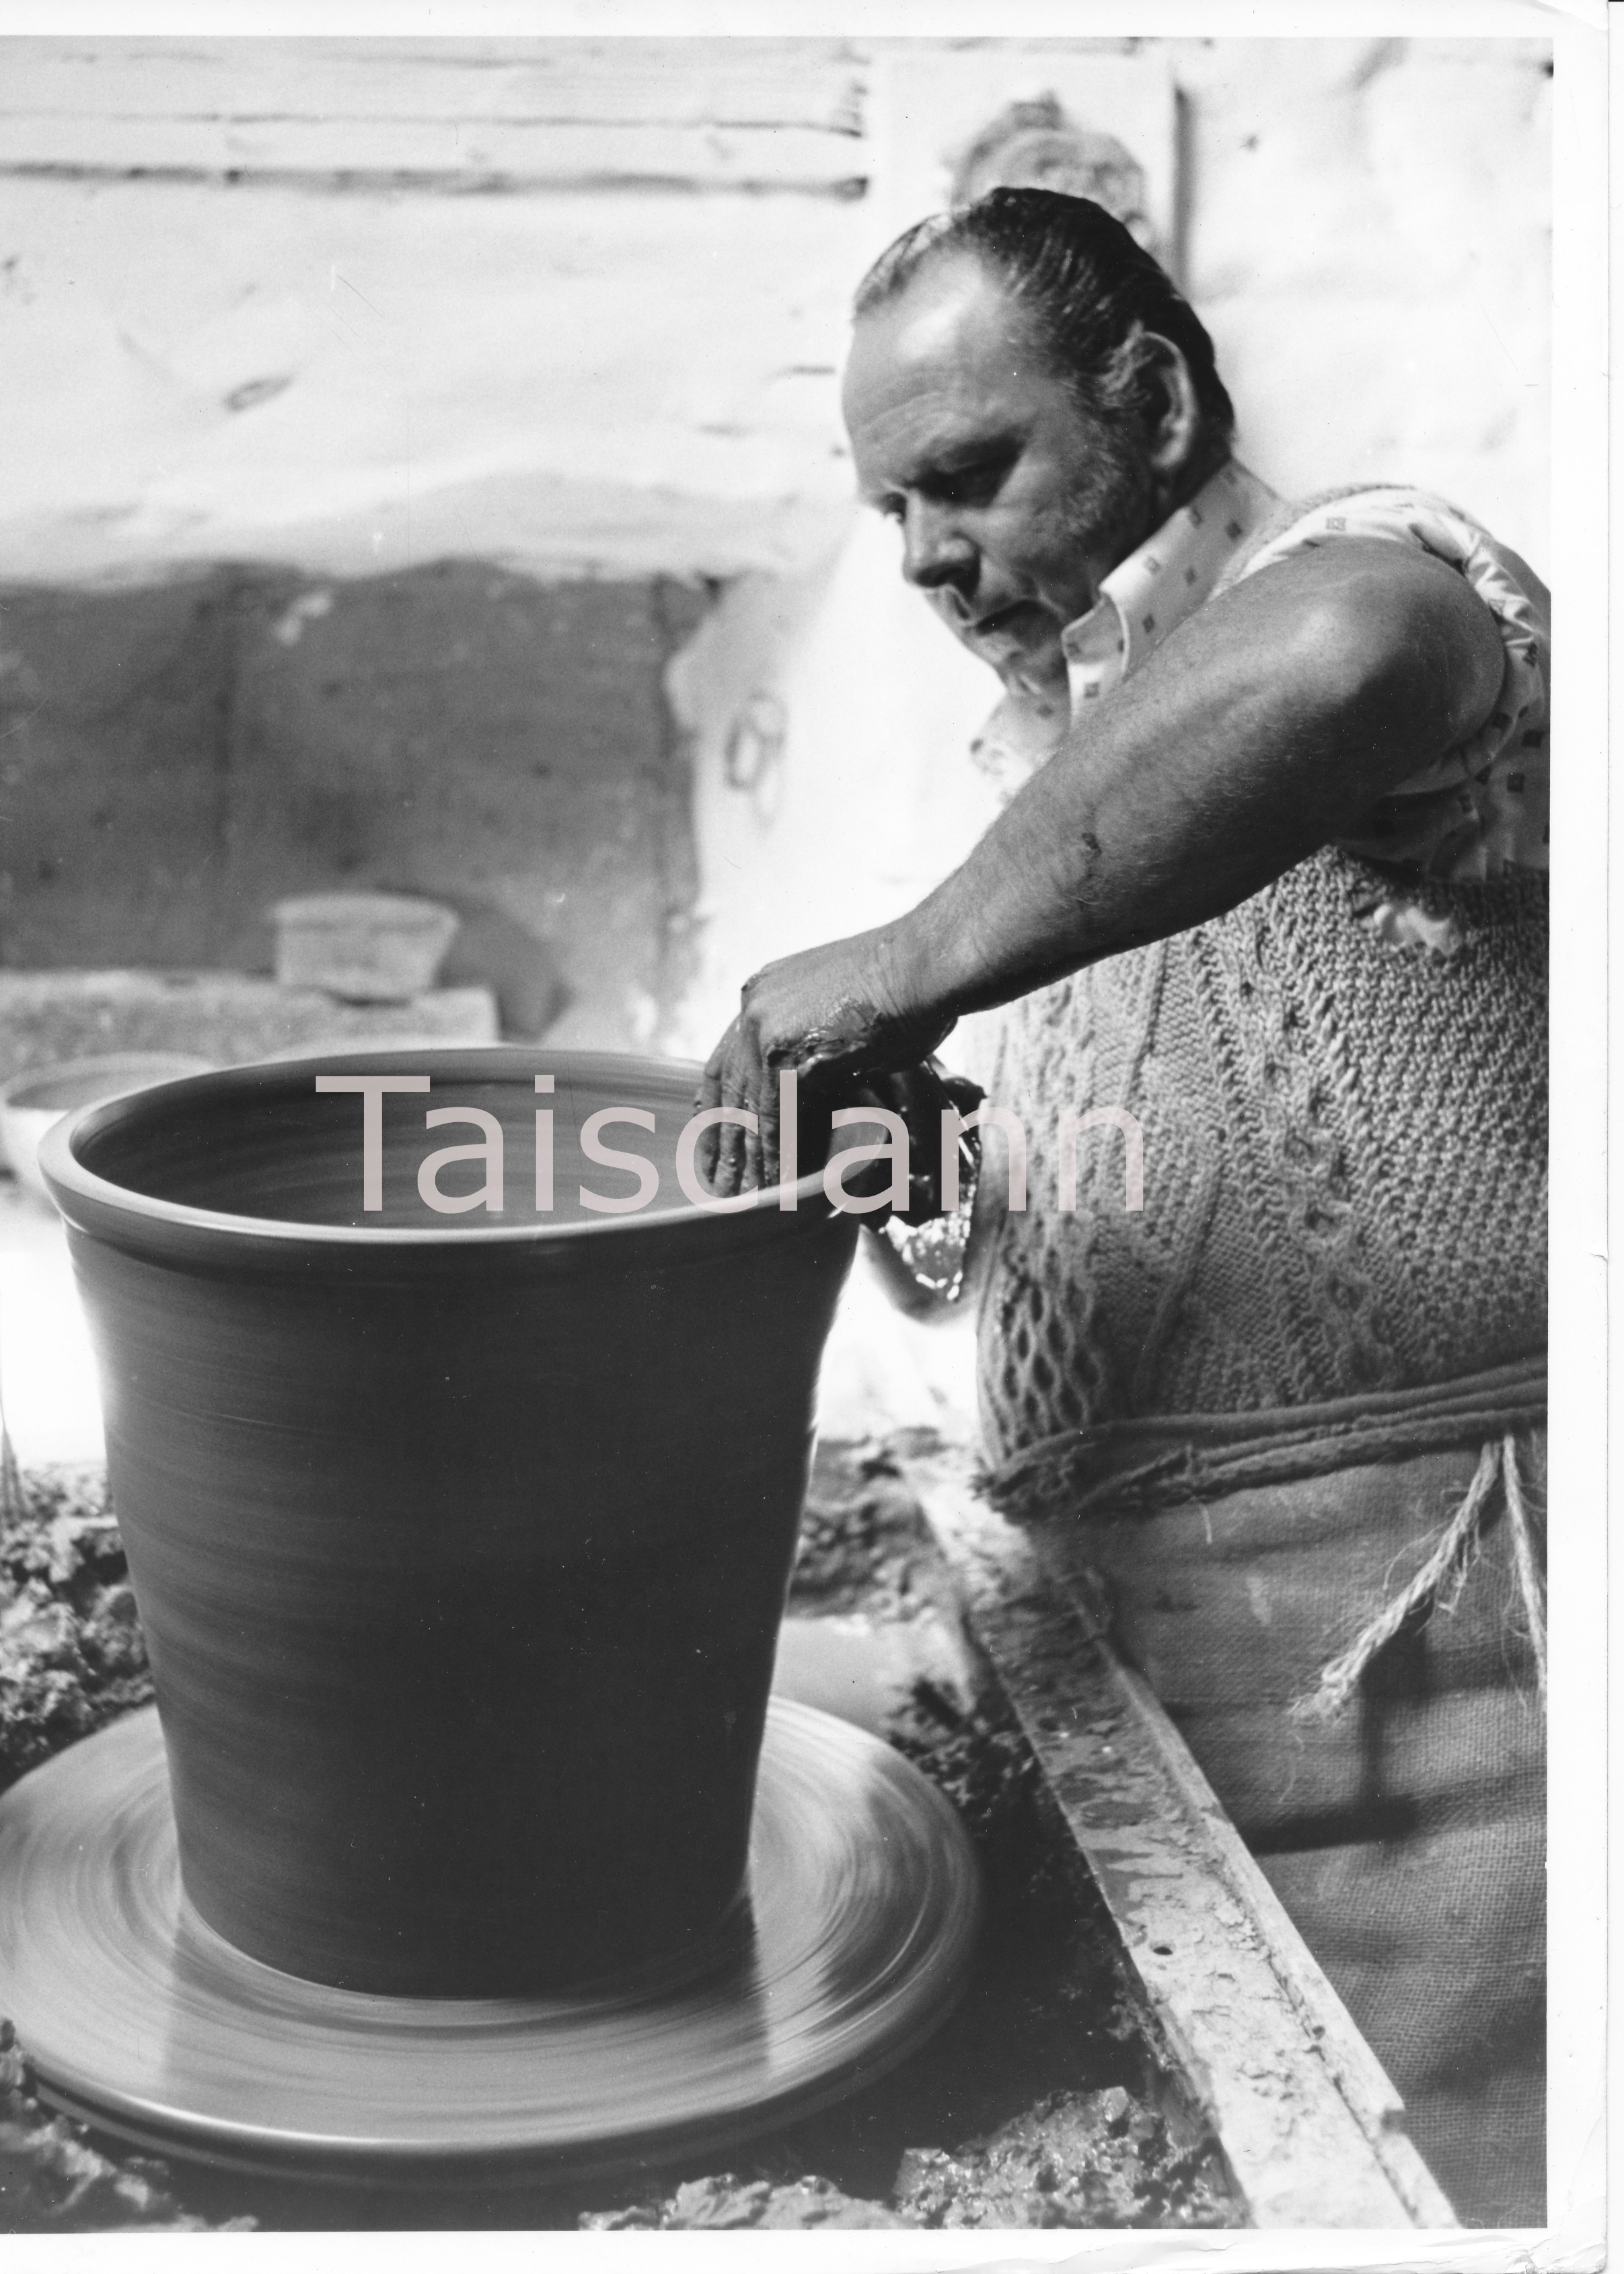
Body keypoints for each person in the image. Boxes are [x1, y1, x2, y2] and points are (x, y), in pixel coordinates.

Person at [696, 190, 1548, 2226]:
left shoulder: (1383, 577)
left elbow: (1343, 653)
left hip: (1444, 1676)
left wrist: (907, 958)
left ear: (1151, 398)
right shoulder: (1060, 796)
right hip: (1153, 1674)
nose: (924, 557)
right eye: (890, 507)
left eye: (967, 476)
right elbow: (1074, 1252)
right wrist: (922, 1187)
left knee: (1461, 2206)